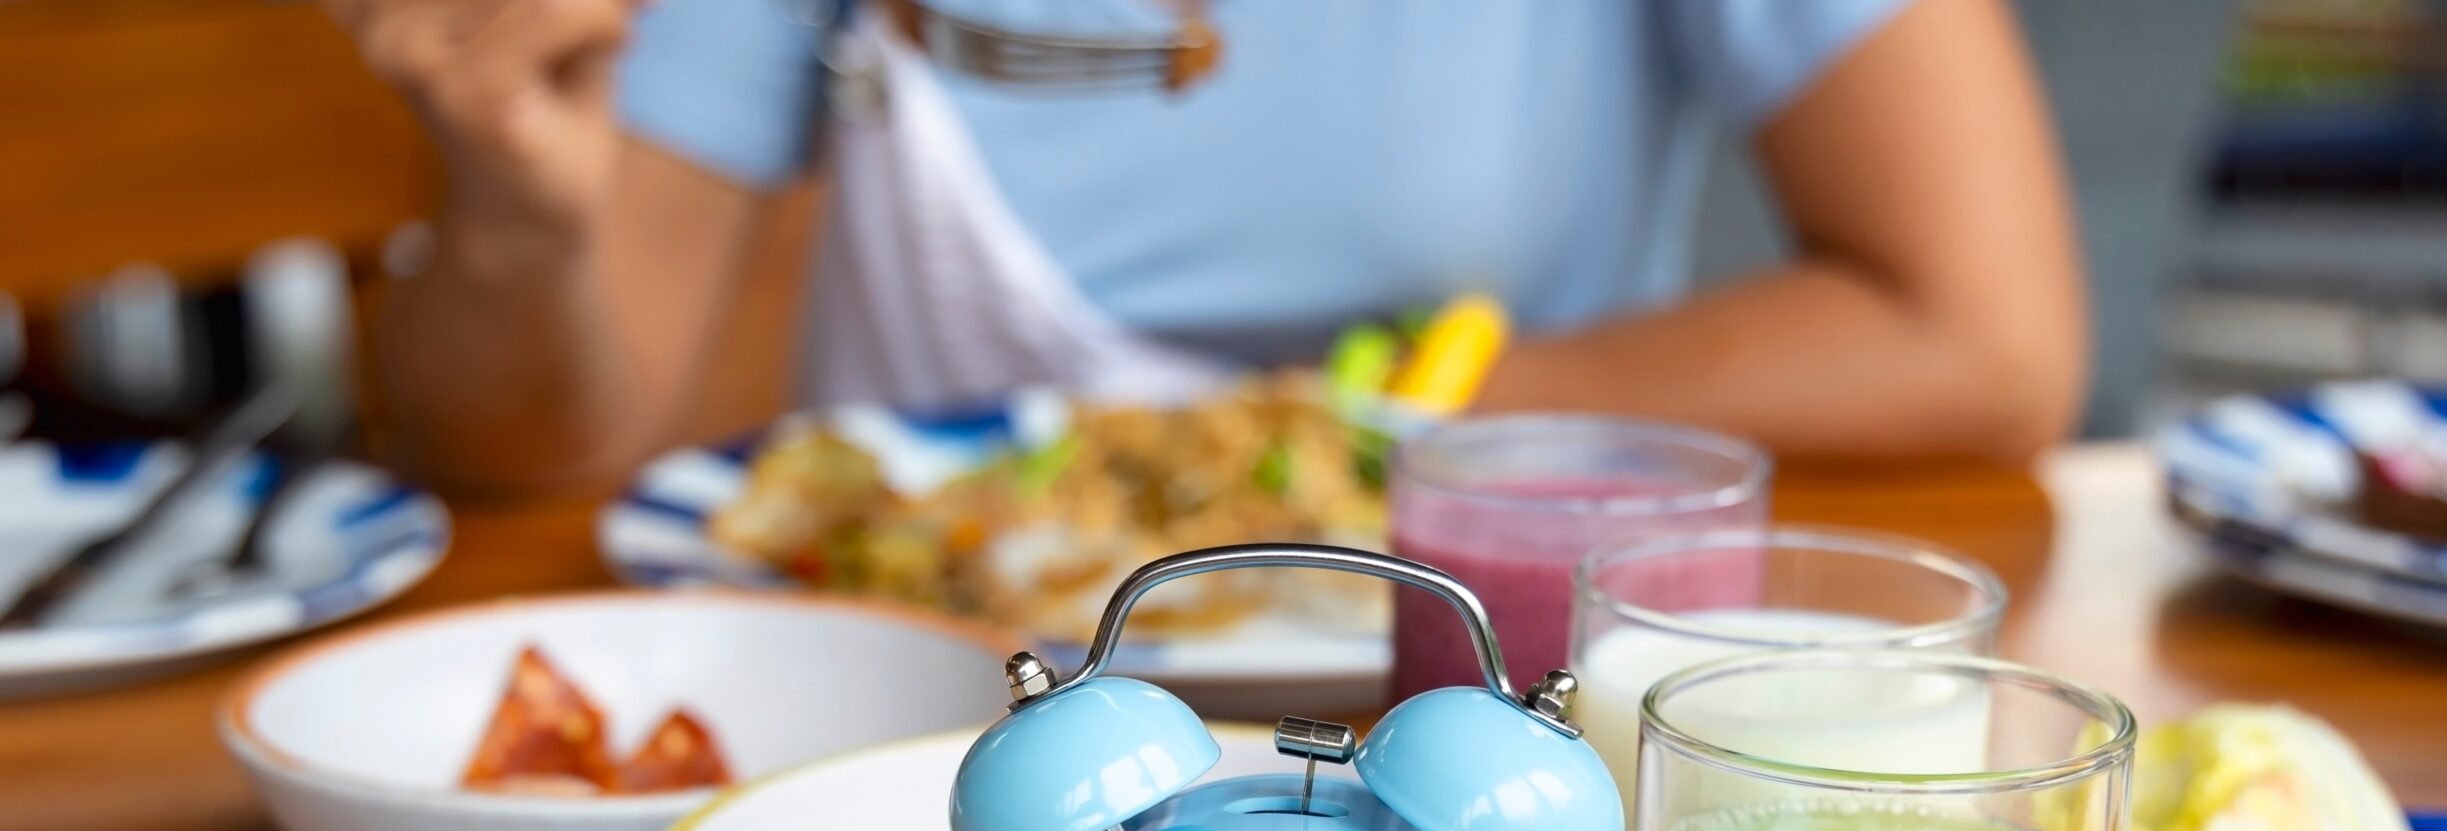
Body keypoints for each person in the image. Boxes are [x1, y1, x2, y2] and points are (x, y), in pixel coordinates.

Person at [327, 0, 2086, 496]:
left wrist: (1312, 447)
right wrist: (514, 213)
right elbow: (527, 443)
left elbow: (1984, 337)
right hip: (906, 730)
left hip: (1480, 679)